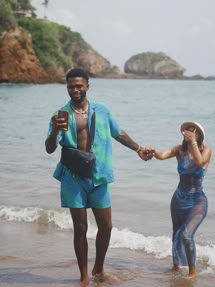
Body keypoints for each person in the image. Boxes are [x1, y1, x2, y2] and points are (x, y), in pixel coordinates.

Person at [45, 68, 152, 287]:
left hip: (99, 175)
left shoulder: (102, 110)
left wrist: (138, 148)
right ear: (67, 88)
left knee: (106, 226)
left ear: (87, 86)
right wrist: (55, 131)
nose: (74, 90)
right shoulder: (60, 114)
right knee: (81, 228)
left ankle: (99, 268)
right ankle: (84, 276)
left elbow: (118, 133)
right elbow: (49, 148)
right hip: (72, 177)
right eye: (70, 86)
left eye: (78, 86)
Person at [148, 122, 212, 278]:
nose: (188, 134)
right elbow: (162, 155)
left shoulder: (206, 151)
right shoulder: (179, 150)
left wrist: (193, 143)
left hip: (197, 200)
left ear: (199, 135)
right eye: (186, 131)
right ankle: (176, 267)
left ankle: (192, 273)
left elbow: (199, 162)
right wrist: (153, 151)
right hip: (178, 200)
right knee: (176, 234)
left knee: (186, 235)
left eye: (192, 131)